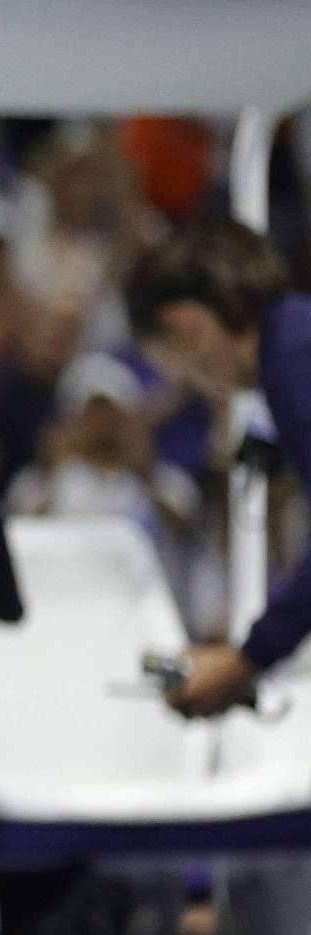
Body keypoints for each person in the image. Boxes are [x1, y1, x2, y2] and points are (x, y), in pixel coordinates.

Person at [133, 221, 311, 717]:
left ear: (184, 323)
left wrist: (247, 659)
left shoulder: (292, 359)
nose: (195, 383)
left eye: (174, 365)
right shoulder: (296, 335)